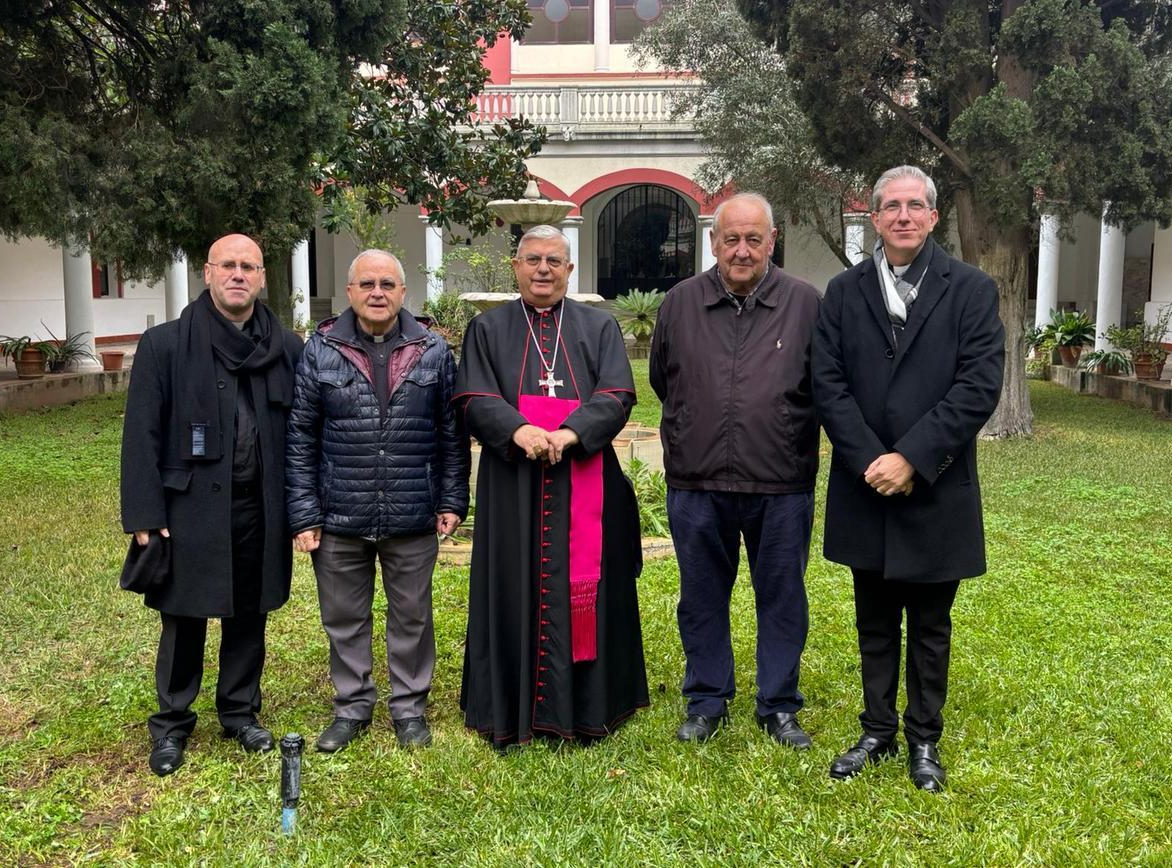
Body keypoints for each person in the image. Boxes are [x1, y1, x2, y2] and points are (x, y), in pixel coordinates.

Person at [813, 165, 1004, 792]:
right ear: (874, 217)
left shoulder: (971, 289)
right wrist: (873, 459)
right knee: (871, 618)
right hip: (864, 480)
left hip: (936, 485)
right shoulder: (842, 292)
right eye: (889, 206)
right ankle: (876, 730)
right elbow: (828, 383)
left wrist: (913, 460)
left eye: (913, 206)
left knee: (929, 624)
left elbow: (978, 386)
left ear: (932, 215)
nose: (902, 216)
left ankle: (924, 737)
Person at [454, 225, 648, 749]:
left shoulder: (598, 326)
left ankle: (590, 706)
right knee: (511, 581)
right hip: (512, 478)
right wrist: (519, 431)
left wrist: (570, 433)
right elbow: (471, 396)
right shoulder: (487, 329)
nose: (543, 269)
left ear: (569, 270)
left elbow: (616, 393)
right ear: (515, 267)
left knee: (590, 585)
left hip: (583, 474)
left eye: (554, 261)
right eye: (533, 259)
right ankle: (508, 705)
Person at [121, 234, 303, 777]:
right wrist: (145, 515)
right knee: (183, 615)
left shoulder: (286, 348)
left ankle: (239, 711)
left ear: (263, 277)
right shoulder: (165, 346)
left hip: (261, 506)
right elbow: (141, 438)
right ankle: (173, 723)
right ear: (207, 273)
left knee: (250, 611)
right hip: (188, 509)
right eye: (228, 265)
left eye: (249, 266)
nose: (238, 275)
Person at [650, 192, 821, 747]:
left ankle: (777, 706)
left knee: (782, 597)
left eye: (754, 239)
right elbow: (663, 380)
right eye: (731, 239)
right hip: (697, 482)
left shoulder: (806, 304)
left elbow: (823, 387)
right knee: (700, 595)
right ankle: (706, 700)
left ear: (772, 242)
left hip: (780, 481)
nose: (742, 251)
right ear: (713, 242)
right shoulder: (679, 303)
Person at [286, 249, 468, 753]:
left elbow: (451, 433)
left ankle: (409, 709)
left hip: (412, 508)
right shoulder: (320, 349)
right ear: (350, 292)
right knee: (344, 616)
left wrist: (452, 498)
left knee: (411, 614)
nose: (377, 292)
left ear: (403, 292)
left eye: (387, 284)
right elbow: (301, 436)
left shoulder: (432, 349)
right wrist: (303, 513)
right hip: (339, 511)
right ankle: (352, 707)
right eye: (367, 283)